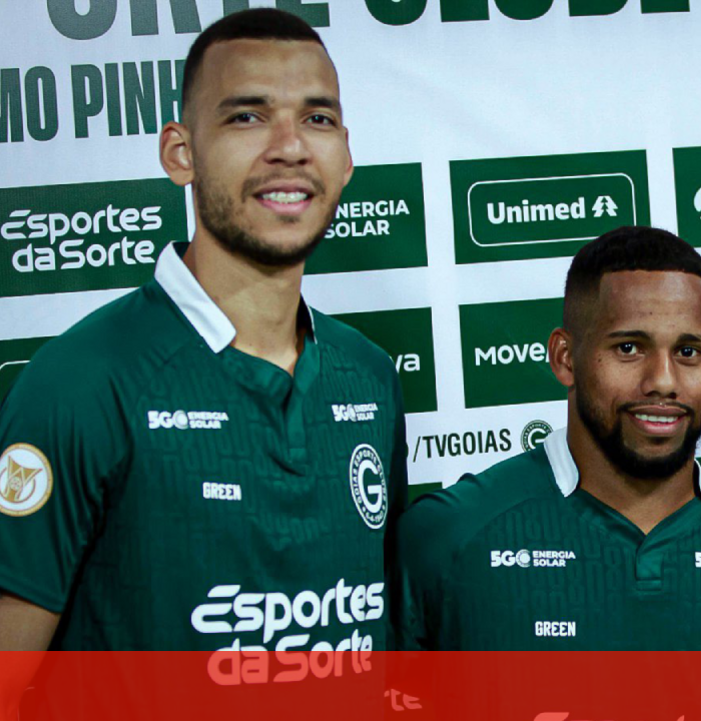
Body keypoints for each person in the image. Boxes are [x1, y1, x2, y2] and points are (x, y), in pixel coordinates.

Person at [0, 6, 405, 668]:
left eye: (317, 118)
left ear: (346, 156)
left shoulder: (369, 375)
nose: (290, 146)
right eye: (247, 117)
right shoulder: (81, 383)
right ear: (180, 153)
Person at [399, 226, 701, 658]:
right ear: (565, 358)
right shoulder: (448, 540)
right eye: (629, 348)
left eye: (688, 352)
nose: (662, 381)